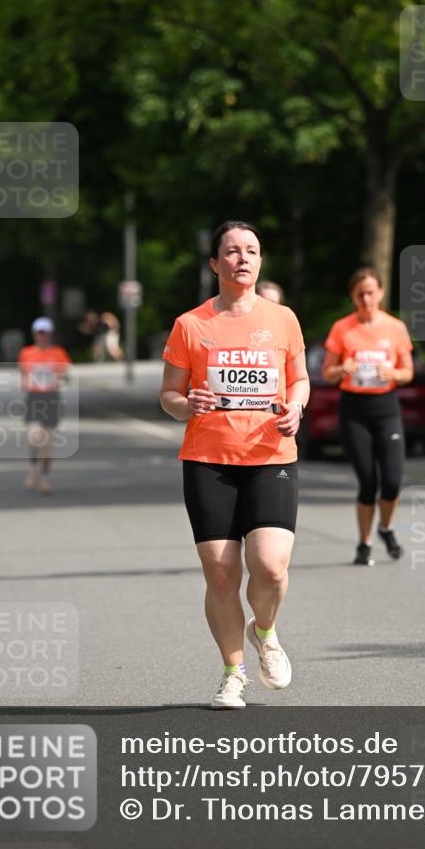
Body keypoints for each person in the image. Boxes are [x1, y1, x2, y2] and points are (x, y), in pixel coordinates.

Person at [160, 220, 309, 709]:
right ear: (214, 263)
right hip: (209, 460)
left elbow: (299, 379)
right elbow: (168, 395)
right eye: (231, 251)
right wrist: (187, 404)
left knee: (270, 566)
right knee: (222, 575)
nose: (242, 258)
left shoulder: (283, 319)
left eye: (251, 250)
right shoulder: (191, 324)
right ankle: (233, 672)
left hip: (270, 455)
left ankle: (264, 631)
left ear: (260, 261)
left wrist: (297, 406)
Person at [322, 268, 414, 566]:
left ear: (381, 293)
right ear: (353, 296)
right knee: (367, 482)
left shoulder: (395, 327)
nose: (366, 299)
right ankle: (365, 543)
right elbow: (327, 372)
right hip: (354, 411)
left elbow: (408, 372)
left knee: (392, 481)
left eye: (371, 292)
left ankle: (386, 527)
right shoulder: (342, 329)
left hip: (386, 409)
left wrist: (393, 373)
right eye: (360, 294)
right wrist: (342, 369)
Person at [17, 317, 71, 495]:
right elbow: (22, 374)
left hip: (51, 398)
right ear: (34, 334)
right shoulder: (26, 353)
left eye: (45, 333)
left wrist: (60, 377)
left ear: (50, 334)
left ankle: (45, 478)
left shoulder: (58, 353)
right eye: (39, 333)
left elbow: (66, 374)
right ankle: (32, 468)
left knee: (47, 443)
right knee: (34, 437)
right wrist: (24, 383)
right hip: (34, 397)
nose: (42, 336)